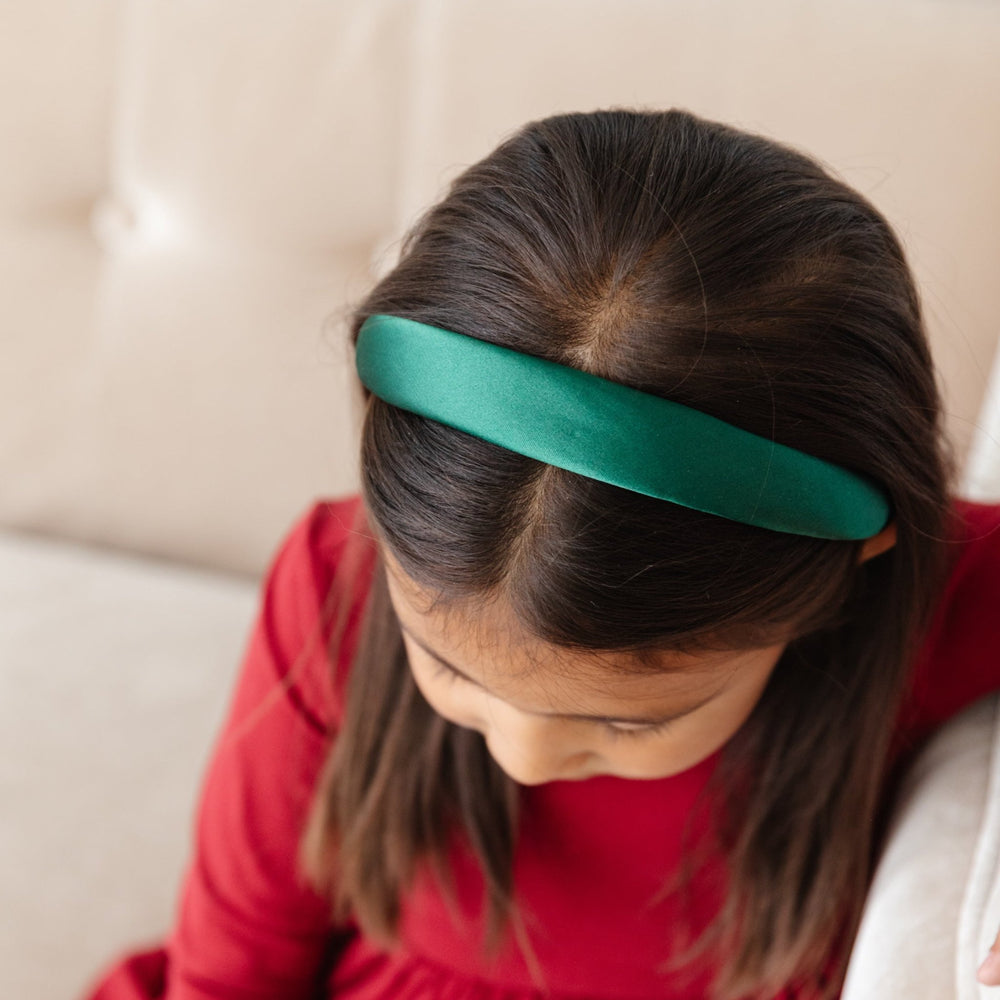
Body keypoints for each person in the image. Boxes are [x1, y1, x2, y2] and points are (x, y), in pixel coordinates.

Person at [83, 108, 1000, 1000]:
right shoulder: (336, 583)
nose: (524, 758)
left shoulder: (929, 600)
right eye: (445, 666)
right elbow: (234, 966)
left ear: (852, 561)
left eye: (631, 723)